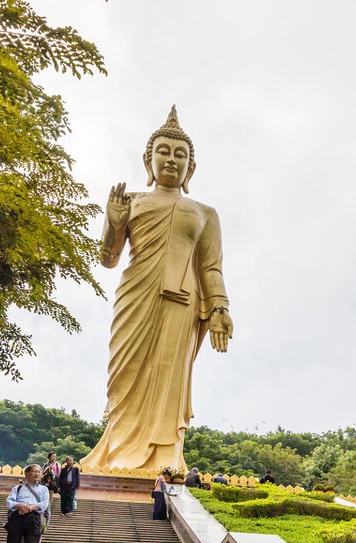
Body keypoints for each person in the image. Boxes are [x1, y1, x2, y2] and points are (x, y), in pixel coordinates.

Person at [79, 106, 233, 473]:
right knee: (124, 374)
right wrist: (113, 226)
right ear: (148, 160)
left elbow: (211, 266)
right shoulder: (129, 201)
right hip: (136, 294)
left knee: (169, 377)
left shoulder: (205, 212)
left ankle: (165, 455)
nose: (171, 159)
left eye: (180, 155)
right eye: (163, 151)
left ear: (190, 168)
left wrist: (219, 308)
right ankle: (115, 451)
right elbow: (108, 259)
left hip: (182, 303)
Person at [5, 465, 50, 543]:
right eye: (34, 471)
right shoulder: (17, 488)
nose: (37, 474)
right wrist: (19, 506)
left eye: (39, 472)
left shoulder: (43, 489)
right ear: (27, 473)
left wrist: (29, 508)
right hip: (17, 518)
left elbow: (44, 504)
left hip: (34, 518)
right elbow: (9, 502)